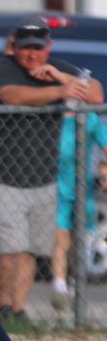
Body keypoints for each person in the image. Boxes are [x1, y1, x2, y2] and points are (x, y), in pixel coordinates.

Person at [0, 15, 104, 323]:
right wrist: (59, 92)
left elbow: (95, 95)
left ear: (48, 47)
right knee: (8, 249)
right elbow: (12, 96)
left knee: (31, 250)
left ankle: (20, 310)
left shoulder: (58, 69)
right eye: (26, 48)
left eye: (38, 48)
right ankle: (3, 306)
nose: (32, 54)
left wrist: (63, 79)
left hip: (44, 177)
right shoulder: (2, 68)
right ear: (16, 47)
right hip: (5, 175)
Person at [51, 112, 107, 311]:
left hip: (84, 189)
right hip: (57, 187)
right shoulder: (54, 116)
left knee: (84, 237)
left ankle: (76, 284)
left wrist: (103, 170)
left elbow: (105, 146)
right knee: (61, 237)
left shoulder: (90, 119)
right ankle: (59, 285)